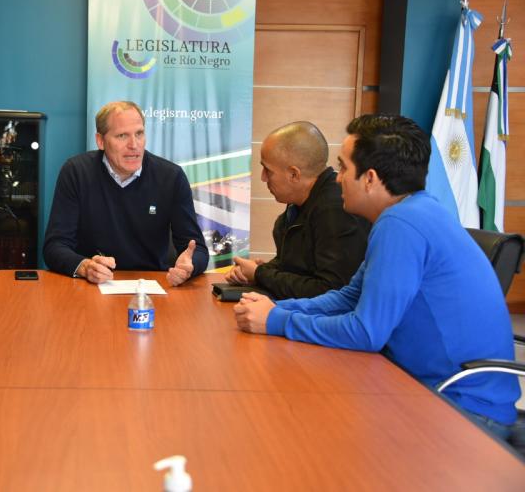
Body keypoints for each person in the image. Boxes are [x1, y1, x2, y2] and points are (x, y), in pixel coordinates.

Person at [233, 114, 520, 439]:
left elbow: (366, 332)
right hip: (425, 387)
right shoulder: (412, 211)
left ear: (369, 178)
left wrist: (276, 322)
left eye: (343, 168)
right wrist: (279, 312)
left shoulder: (401, 225)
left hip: (463, 410)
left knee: (310, 430)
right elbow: (348, 297)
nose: (337, 178)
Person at [43, 100, 208, 285]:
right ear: (100, 141)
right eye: (122, 136)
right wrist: (84, 267)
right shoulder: (76, 172)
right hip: (92, 286)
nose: (134, 145)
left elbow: (198, 249)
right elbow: (54, 246)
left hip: (152, 288)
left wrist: (189, 266)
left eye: (139, 133)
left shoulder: (171, 177)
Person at [224, 122, 369, 299]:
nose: (263, 178)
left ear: (294, 174)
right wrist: (256, 273)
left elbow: (330, 291)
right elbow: (293, 267)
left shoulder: (335, 209)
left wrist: (260, 274)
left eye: (267, 170)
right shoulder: (300, 203)